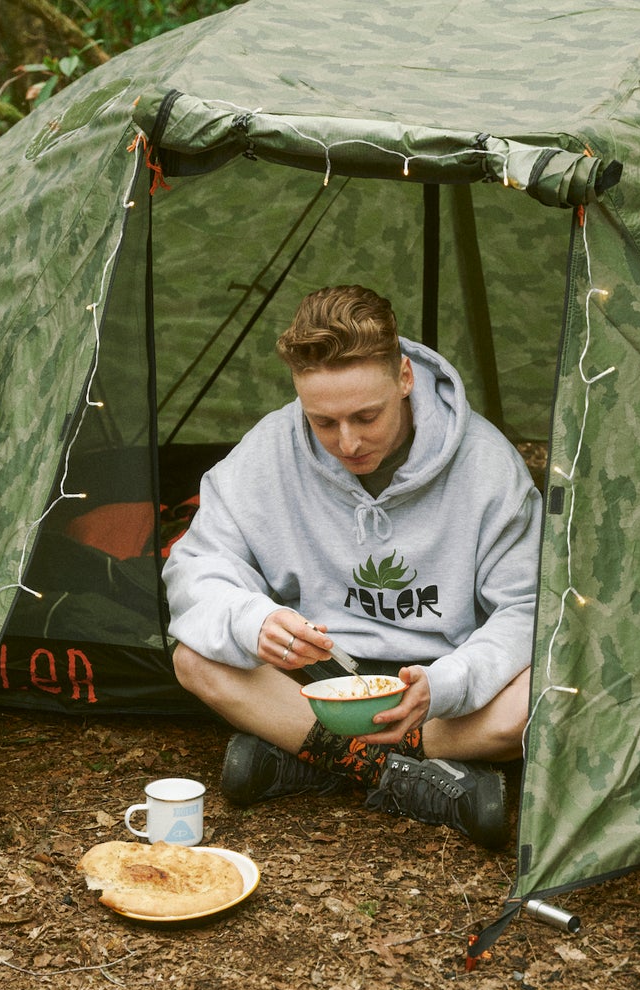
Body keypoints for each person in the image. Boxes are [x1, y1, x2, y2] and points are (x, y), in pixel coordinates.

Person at [163, 285, 539, 848]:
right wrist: (253, 621)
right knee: (195, 660)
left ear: (405, 378)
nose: (348, 442)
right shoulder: (269, 449)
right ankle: (413, 779)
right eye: (323, 422)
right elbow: (196, 567)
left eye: (367, 416)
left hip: (436, 684)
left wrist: (449, 684)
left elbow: (528, 608)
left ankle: (306, 755)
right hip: (319, 677)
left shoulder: (487, 465)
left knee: (534, 702)